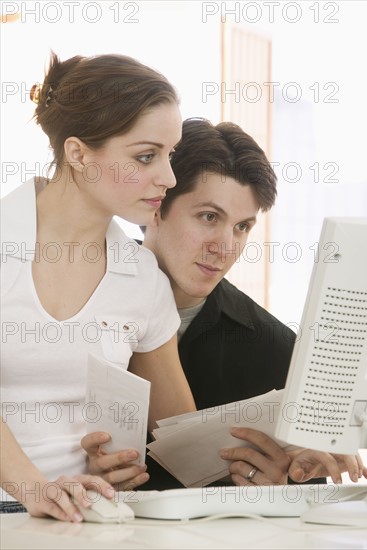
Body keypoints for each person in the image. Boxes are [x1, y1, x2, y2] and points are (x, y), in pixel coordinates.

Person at [82, 118, 367, 489]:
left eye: (242, 227)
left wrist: (279, 489)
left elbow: (299, 504)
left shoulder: (277, 351)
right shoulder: (74, 303)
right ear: (156, 206)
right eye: (209, 217)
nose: (226, 247)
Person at [0, 52, 196, 520]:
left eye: (171, 156)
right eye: (145, 156)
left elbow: (183, 436)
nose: (168, 178)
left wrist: (284, 454)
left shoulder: (142, 279)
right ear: (78, 153)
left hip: (86, 518)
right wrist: (36, 490)